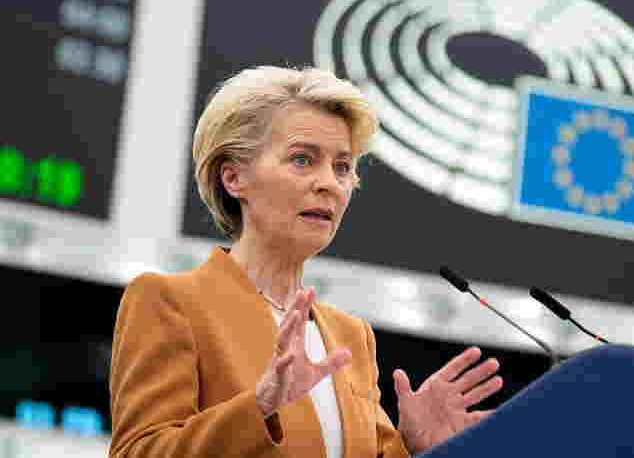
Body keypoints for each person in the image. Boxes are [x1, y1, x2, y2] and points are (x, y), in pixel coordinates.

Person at [108, 66, 503, 458]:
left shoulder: (352, 337)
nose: (329, 183)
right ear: (234, 178)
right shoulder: (169, 302)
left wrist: (415, 449)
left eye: (342, 167)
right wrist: (259, 407)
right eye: (302, 159)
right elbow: (137, 453)